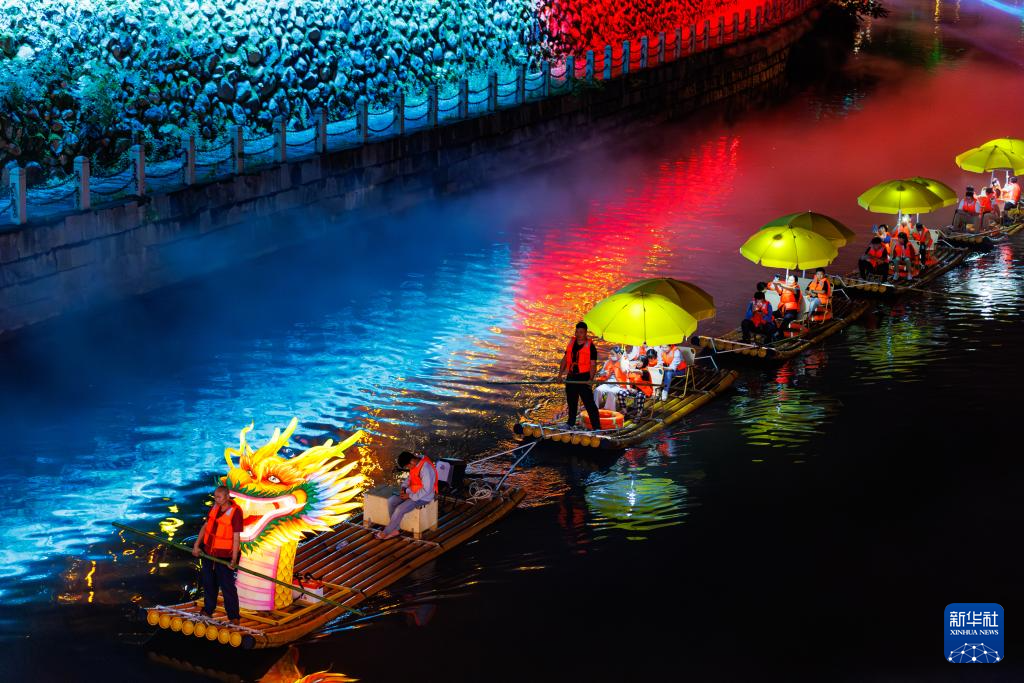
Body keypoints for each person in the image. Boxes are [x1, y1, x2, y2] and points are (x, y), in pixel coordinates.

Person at [192, 485, 242, 624]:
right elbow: (205, 526)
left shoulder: (236, 512)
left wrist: (234, 559)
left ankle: (234, 617)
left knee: (227, 586)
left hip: (224, 556)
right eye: (215, 497)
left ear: (227, 497)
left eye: (219, 497)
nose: (216, 499)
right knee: (208, 583)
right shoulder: (214, 508)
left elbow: (236, 537)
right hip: (208, 553)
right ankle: (208, 611)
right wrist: (196, 545)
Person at [375, 451, 437, 540]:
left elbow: (426, 490)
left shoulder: (426, 469)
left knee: (400, 509)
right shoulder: (416, 463)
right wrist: (404, 488)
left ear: (411, 462)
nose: (408, 468)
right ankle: (395, 530)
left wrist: (409, 496)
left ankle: (386, 532)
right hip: (412, 492)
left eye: (407, 466)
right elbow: (410, 477)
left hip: (423, 497)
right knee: (391, 501)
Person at [557, 321, 602, 431]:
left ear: (585, 333)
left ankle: (597, 427)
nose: (578, 334)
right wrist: (559, 375)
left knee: (589, 403)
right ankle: (570, 423)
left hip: (584, 378)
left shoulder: (591, 347)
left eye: (581, 332)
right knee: (571, 402)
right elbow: (565, 359)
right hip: (571, 376)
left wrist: (590, 379)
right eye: (577, 332)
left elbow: (593, 365)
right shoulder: (571, 343)